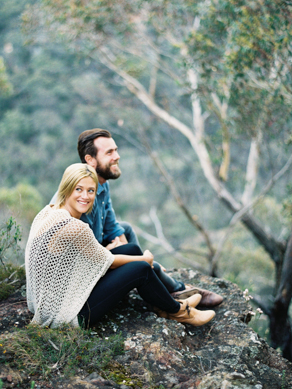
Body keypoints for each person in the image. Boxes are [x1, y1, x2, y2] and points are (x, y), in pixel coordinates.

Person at [27, 163, 216, 328]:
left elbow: (89, 256)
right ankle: (179, 311)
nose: (85, 196)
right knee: (141, 268)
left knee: (131, 249)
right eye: (78, 189)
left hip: (52, 299)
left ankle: (162, 304)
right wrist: (147, 259)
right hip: (68, 314)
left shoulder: (50, 212)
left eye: (90, 191)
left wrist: (131, 255)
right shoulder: (74, 226)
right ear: (66, 189)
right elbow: (108, 261)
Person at [50, 128, 223, 307]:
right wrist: (132, 259)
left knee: (126, 230)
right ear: (90, 160)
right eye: (109, 152)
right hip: (80, 274)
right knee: (141, 262)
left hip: (96, 252)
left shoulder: (101, 185)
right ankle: (172, 289)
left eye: (116, 150)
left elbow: (113, 228)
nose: (117, 156)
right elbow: (87, 258)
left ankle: (152, 278)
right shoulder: (80, 199)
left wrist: (134, 257)